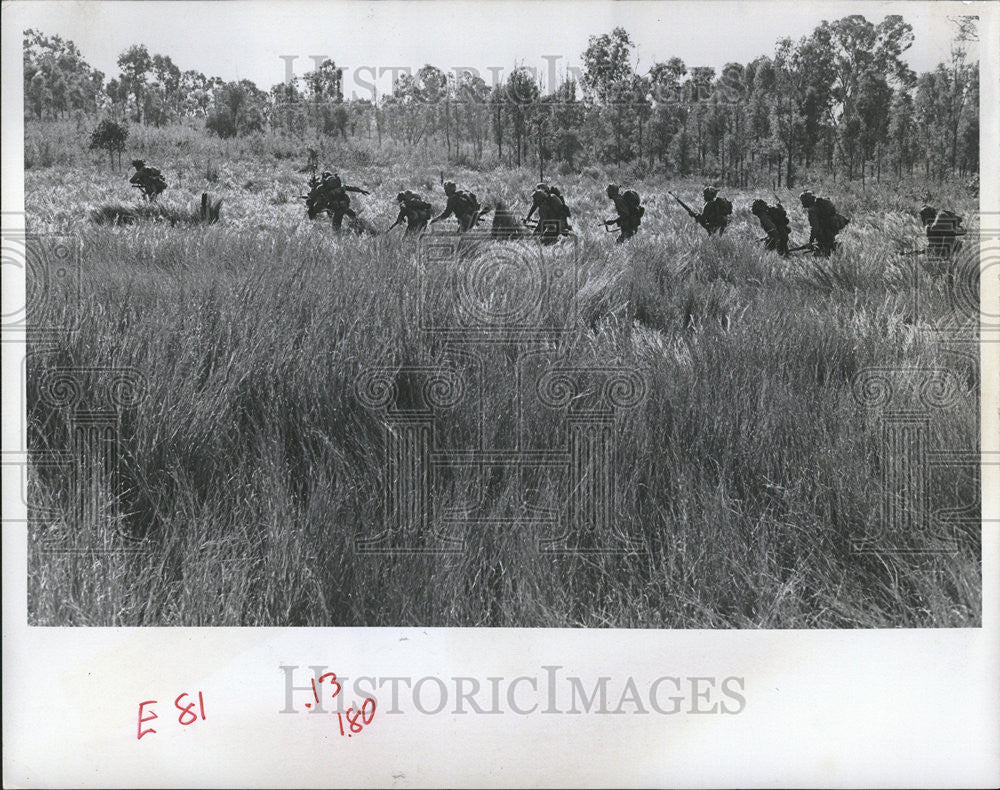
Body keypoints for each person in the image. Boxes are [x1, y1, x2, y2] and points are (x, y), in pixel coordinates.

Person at [306, 171, 370, 230]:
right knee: (352, 216)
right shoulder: (339, 186)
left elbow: (312, 198)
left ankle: (343, 235)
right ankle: (362, 228)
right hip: (344, 206)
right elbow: (350, 188)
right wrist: (361, 190)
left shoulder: (322, 187)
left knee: (336, 229)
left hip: (335, 208)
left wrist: (310, 207)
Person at [800, 190, 848, 255]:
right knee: (831, 247)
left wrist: (810, 242)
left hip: (823, 234)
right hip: (832, 229)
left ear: (807, 201)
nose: (802, 203)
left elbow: (815, 228)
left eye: (803, 201)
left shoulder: (812, 211)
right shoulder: (821, 204)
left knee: (822, 253)